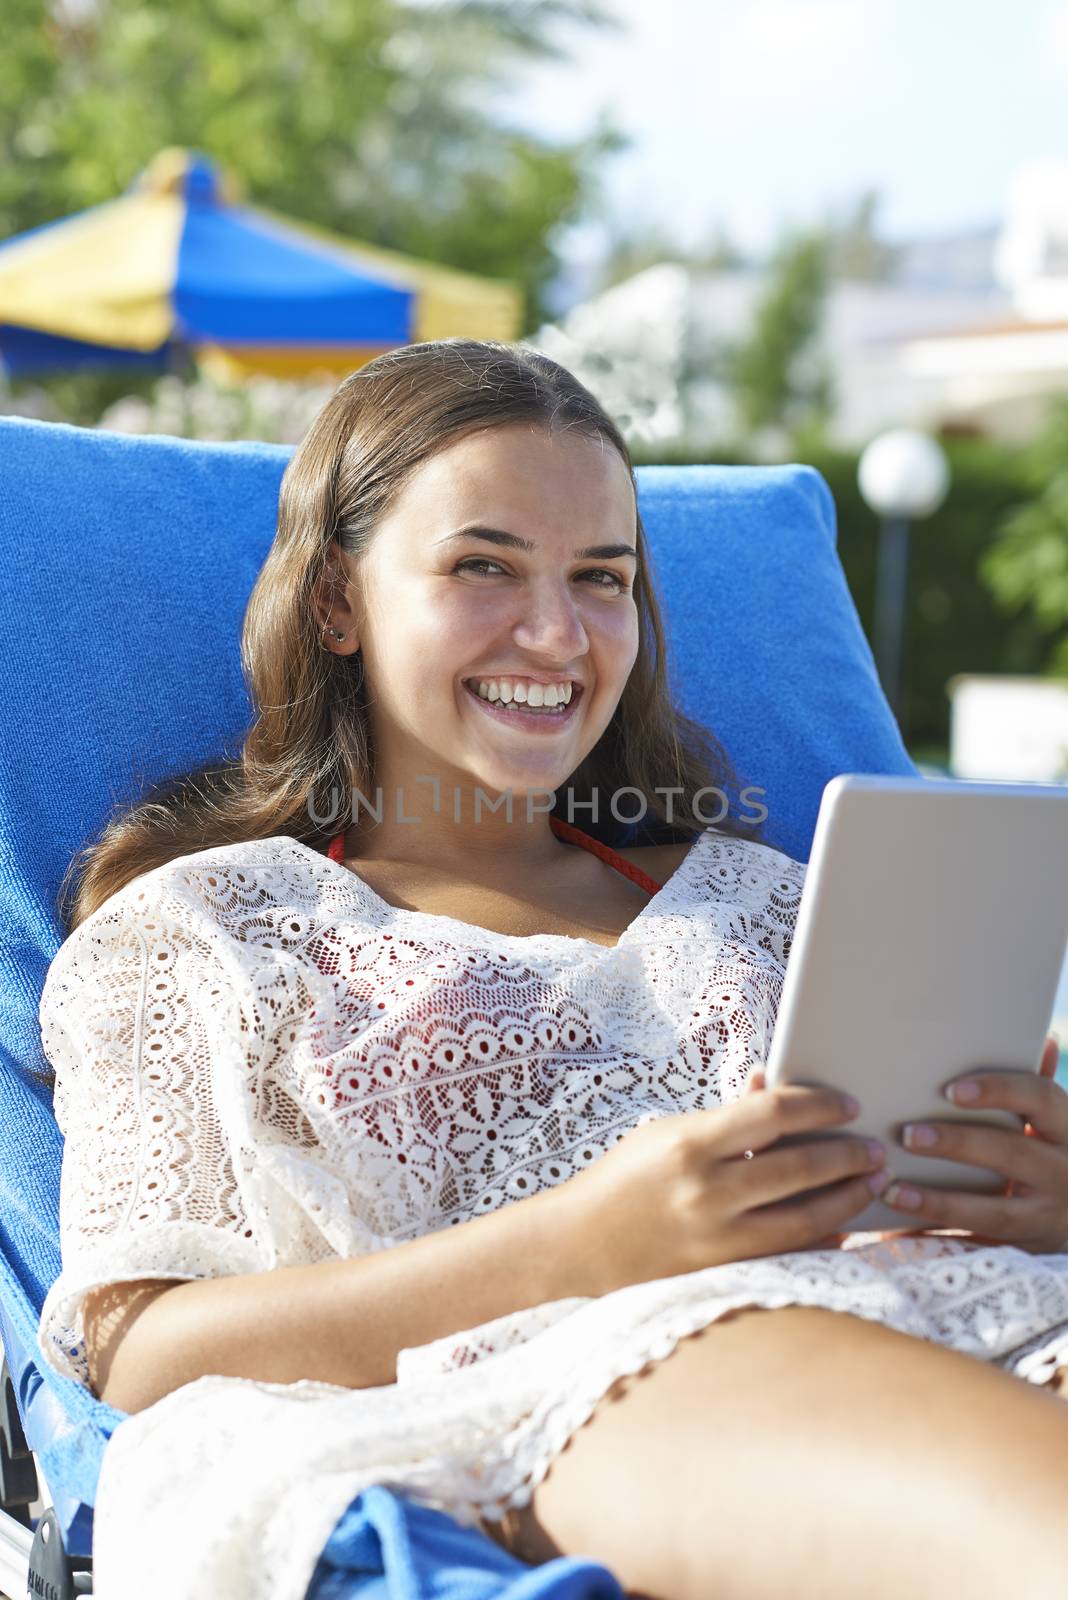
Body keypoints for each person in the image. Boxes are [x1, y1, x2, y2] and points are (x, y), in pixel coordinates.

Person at [36, 338, 1068, 1600]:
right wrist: (582, 1245)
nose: (556, 632)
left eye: (603, 578)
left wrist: (1037, 1186)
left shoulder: (782, 898)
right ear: (336, 602)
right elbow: (139, 1357)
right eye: (484, 565)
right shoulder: (202, 931)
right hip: (618, 1375)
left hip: (986, 1315)